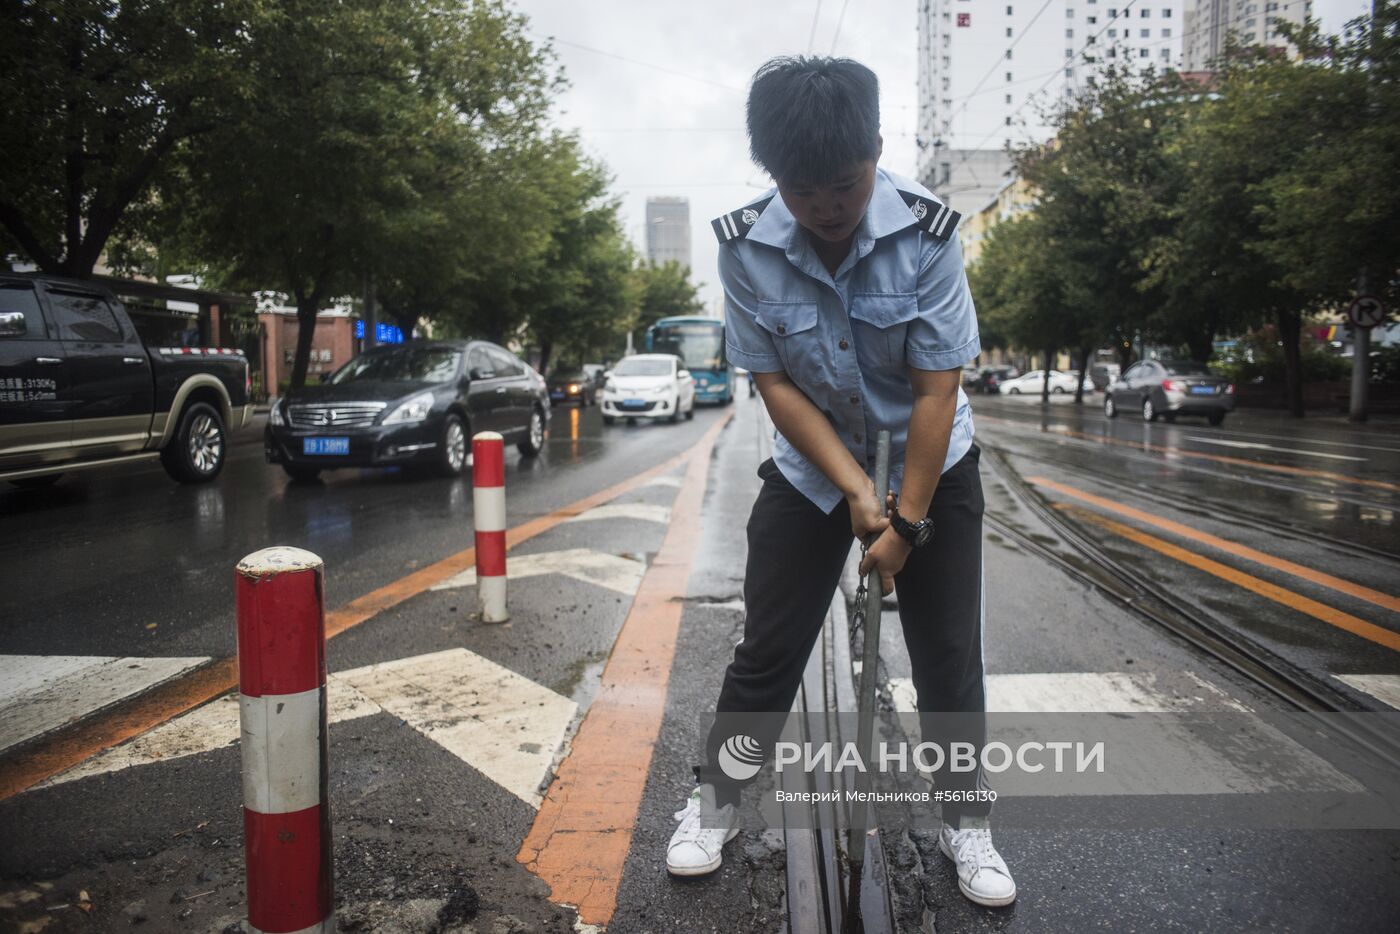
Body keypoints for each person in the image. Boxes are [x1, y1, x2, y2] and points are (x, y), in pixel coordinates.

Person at [664, 56, 1016, 907]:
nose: (825, 208)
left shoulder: (930, 231)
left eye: (846, 186)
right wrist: (858, 492)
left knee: (946, 654)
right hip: (812, 466)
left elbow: (937, 388)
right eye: (802, 189)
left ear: (878, 152)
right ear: (773, 175)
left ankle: (968, 821)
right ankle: (714, 801)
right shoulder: (744, 245)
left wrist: (908, 523)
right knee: (769, 648)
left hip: (935, 460)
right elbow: (774, 383)